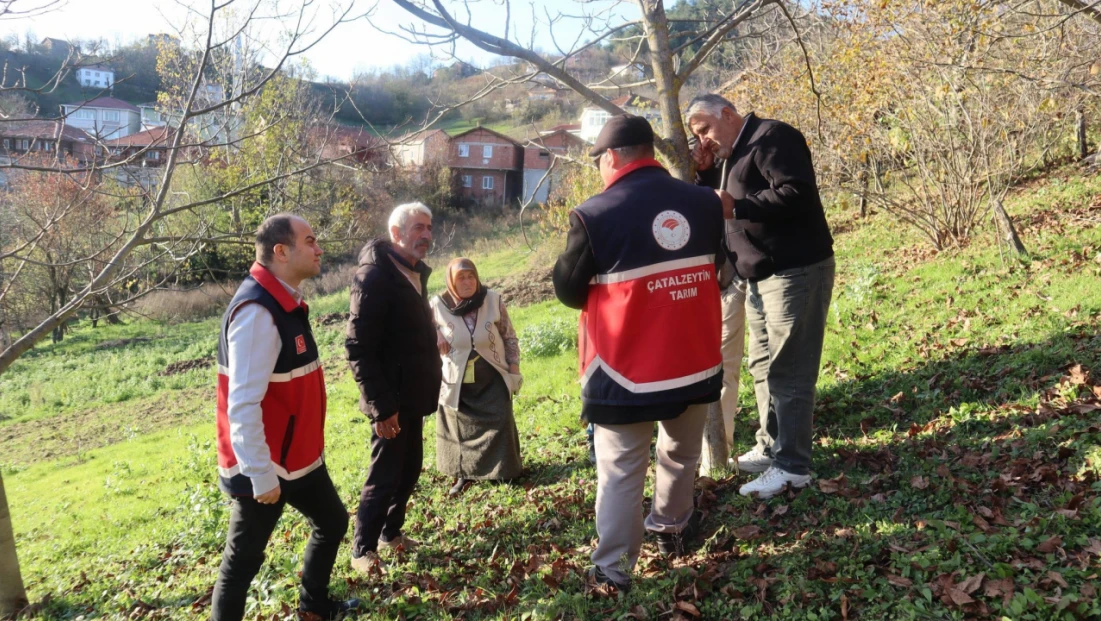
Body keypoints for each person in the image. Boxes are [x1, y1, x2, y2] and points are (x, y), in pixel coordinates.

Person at [553, 114, 725, 591]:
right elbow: (722, 270)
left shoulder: (593, 214)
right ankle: (671, 528)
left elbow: (569, 290)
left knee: (622, 468)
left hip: (624, 369)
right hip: (694, 359)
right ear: (650, 152)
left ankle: (613, 569)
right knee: (682, 450)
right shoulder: (704, 202)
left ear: (610, 158)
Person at [686, 93, 836, 499]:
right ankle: (772, 448)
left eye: (705, 130)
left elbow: (796, 193)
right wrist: (703, 176)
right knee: (764, 366)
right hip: (757, 275)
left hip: (795, 269)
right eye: (696, 135)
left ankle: (792, 468)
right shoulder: (731, 154)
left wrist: (740, 207)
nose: (703, 141)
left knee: (790, 371)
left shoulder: (773, 137)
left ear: (729, 114)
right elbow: (721, 204)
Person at [212, 214, 359, 621]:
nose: (319, 249)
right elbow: (240, 404)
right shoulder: (257, 312)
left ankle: (313, 609)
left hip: (298, 459)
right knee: (241, 564)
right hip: (267, 468)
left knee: (332, 521)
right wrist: (260, 474)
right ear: (281, 251)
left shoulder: (283, 300)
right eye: (310, 241)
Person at [345, 202, 442, 573]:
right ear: (396, 233)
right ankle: (361, 550)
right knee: (384, 474)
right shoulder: (374, 277)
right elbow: (357, 347)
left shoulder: (413, 272)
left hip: (414, 394)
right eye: (418, 227)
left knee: (411, 467)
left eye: (429, 227)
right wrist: (381, 407)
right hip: (390, 399)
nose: (426, 235)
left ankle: (391, 532)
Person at [430, 257, 523, 496]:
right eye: (461, 277)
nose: (467, 281)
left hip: (492, 375)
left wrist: (513, 368)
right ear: (451, 280)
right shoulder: (437, 305)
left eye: (471, 276)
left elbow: (509, 336)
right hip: (457, 381)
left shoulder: (492, 300)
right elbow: (420, 327)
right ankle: (463, 474)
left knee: (500, 419)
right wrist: (435, 332)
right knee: (458, 428)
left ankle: (503, 471)